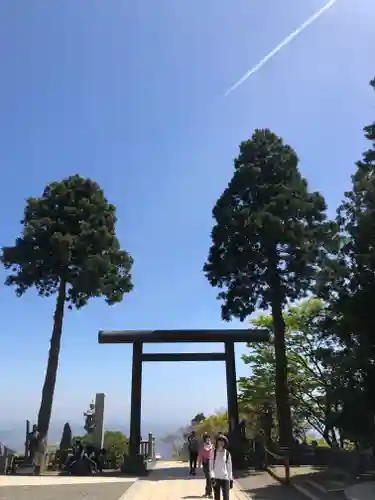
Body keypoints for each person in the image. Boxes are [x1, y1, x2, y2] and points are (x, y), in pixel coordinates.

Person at [210, 435, 233, 500]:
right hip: (216, 478)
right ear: (217, 442)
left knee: (226, 498)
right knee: (217, 498)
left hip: (225, 479)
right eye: (219, 441)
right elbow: (211, 467)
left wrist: (231, 479)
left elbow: (229, 468)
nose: (221, 443)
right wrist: (212, 477)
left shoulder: (227, 454)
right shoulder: (213, 453)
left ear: (225, 443)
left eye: (223, 441)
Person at [198, 433, 214, 498]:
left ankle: (207, 492)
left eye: (209, 438)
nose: (208, 439)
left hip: (211, 464)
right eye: (207, 438)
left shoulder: (212, 446)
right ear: (204, 440)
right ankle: (209, 493)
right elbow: (200, 456)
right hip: (205, 464)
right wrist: (199, 464)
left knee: (209, 479)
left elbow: (214, 455)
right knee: (209, 478)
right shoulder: (202, 447)